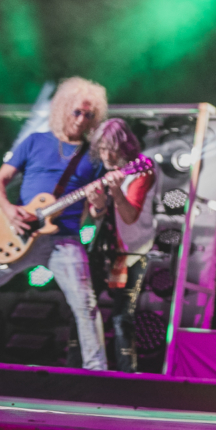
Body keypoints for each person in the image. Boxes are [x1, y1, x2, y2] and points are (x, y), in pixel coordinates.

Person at [0, 77, 110, 370]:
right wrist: (9, 211)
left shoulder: (94, 157)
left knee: (86, 306)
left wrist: (98, 201)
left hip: (64, 240)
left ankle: (97, 372)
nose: (82, 119)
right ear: (63, 108)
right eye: (77, 112)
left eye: (89, 114)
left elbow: (97, 212)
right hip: (17, 232)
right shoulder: (35, 142)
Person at [89, 117, 154, 373]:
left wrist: (116, 194)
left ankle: (127, 374)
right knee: (84, 309)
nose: (104, 154)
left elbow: (129, 217)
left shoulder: (141, 170)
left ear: (123, 146)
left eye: (109, 148)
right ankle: (83, 367)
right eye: (101, 148)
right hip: (103, 247)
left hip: (132, 252)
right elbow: (98, 215)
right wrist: (98, 205)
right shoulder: (108, 171)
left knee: (122, 316)